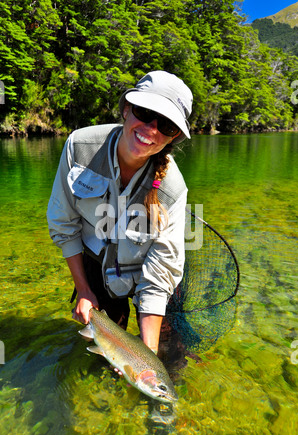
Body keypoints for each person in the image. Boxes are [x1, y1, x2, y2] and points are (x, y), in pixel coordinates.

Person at [47, 70, 193, 355]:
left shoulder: (173, 189)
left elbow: (160, 272)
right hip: (96, 270)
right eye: (145, 112)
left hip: (148, 276)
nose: (152, 129)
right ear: (126, 109)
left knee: (166, 359)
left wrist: (145, 359)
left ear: (173, 138)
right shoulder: (80, 148)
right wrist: (84, 290)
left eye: (167, 126)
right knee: (102, 351)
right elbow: (64, 226)